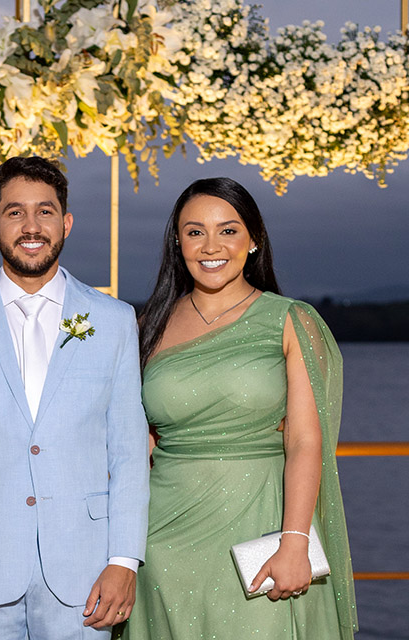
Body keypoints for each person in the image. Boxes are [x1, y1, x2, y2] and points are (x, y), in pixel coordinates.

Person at [0, 156, 151, 639]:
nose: (31, 225)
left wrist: (124, 560)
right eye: (15, 212)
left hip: (85, 575)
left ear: (66, 223)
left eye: (45, 211)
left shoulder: (114, 319)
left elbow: (128, 452)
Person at [119, 177, 357, 639]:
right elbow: (132, 439)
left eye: (228, 230)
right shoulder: (147, 325)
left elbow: (306, 440)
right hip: (162, 539)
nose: (212, 246)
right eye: (194, 232)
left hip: (261, 530)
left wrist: (295, 543)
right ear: (177, 242)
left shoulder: (291, 320)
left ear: (254, 240)